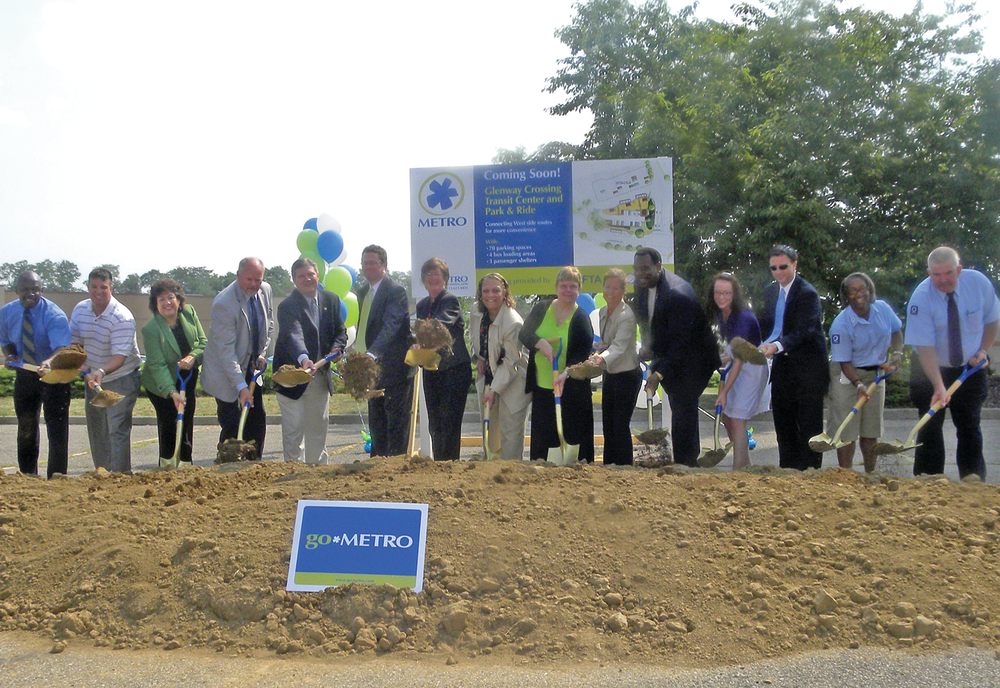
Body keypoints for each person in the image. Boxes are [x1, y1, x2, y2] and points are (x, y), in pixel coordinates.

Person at [904, 246, 999, 480]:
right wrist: (938, 385)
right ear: (929, 273)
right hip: (929, 369)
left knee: (969, 425)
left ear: (959, 269)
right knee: (930, 427)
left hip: (970, 367)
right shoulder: (921, 298)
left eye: (948, 273)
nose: (942, 280)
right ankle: (928, 481)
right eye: (936, 275)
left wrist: (983, 351)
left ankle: (972, 480)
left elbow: (992, 320)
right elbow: (924, 348)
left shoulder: (978, 284)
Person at [632, 248, 720, 466]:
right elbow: (645, 320)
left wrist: (659, 372)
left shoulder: (677, 294)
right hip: (672, 351)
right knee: (678, 406)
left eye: (646, 269)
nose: (640, 274)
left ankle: (686, 465)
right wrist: (647, 344)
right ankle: (683, 461)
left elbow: (682, 342)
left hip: (695, 358)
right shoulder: (642, 285)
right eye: (637, 269)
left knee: (683, 408)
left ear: (659, 266)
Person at [758, 245, 830, 471]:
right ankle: (787, 472)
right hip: (782, 368)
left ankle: (810, 473)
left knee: (809, 426)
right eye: (773, 268)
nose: (778, 272)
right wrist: (756, 345)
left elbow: (805, 330)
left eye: (783, 266)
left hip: (808, 369)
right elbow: (766, 325)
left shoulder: (807, 293)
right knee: (783, 423)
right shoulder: (770, 292)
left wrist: (776, 346)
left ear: (795, 265)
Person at [273, 258, 348, 464]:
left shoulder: (331, 300)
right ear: (294, 280)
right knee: (294, 429)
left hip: (319, 378)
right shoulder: (288, 306)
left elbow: (340, 332)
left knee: (318, 428)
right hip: (291, 379)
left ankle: (317, 474)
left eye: (310, 274)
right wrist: (304, 358)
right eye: (301, 276)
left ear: (318, 275)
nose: (307, 279)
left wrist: (336, 347)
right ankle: (294, 473)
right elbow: (293, 334)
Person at [827, 273, 903, 473]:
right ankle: (847, 476)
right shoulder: (840, 325)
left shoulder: (883, 309)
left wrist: (896, 354)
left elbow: (896, 331)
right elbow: (844, 362)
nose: (859, 293)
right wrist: (859, 385)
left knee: (870, 430)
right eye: (853, 290)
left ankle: (871, 474)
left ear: (870, 290)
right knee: (847, 430)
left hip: (877, 374)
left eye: (862, 288)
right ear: (846, 296)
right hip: (847, 376)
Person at [70, 267, 142, 473]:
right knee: (98, 429)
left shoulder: (122, 317)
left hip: (122, 376)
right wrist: (77, 362)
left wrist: (100, 371)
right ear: (88, 287)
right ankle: (102, 474)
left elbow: (119, 357)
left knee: (117, 427)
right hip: (93, 377)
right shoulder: (80, 310)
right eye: (94, 286)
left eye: (103, 287)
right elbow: (75, 343)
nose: (98, 291)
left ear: (111, 288)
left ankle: (120, 476)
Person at [519, 266, 595, 463]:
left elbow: (582, 354)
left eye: (573, 286)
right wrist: (540, 343)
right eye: (563, 286)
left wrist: (566, 374)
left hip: (571, 390)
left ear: (579, 290)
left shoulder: (581, 319)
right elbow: (524, 334)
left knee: (571, 433)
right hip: (542, 386)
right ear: (556, 287)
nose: (567, 291)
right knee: (542, 438)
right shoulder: (541, 309)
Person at [0, 271, 72, 478]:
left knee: (56, 429)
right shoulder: (6, 313)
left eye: (35, 290)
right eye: (25, 290)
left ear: (41, 290)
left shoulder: (54, 314)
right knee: (26, 426)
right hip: (26, 374)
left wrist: (48, 362)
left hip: (53, 374)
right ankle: (28, 475)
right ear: (16, 291)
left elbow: (60, 348)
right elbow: (6, 342)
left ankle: (57, 477)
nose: (30, 293)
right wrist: (11, 356)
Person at [201, 257, 273, 459]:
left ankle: (253, 464)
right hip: (226, 372)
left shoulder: (265, 290)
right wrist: (241, 388)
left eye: (258, 280)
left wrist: (261, 353)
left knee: (257, 420)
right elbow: (226, 352)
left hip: (252, 367)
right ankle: (228, 467)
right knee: (232, 423)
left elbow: (269, 325)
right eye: (249, 279)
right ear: (238, 276)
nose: (254, 285)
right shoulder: (224, 303)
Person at [705, 272, 770, 470]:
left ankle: (739, 467)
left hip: (752, 367)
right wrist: (722, 359)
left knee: (737, 417)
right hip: (738, 363)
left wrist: (724, 392)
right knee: (727, 417)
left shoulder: (742, 317)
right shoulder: (722, 314)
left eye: (727, 293)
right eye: (718, 293)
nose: (722, 297)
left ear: (735, 294)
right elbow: (732, 352)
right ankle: (744, 462)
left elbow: (740, 359)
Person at [140, 278, 208, 467]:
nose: (167, 303)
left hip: (187, 376)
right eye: (161, 299)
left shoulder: (189, 313)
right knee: (169, 422)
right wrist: (172, 393)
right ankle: (167, 465)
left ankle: (186, 464)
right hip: (162, 384)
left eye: (171, 297)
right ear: (155, 304)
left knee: (186, 420)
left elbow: (203, 342)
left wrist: (193, 357)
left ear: (179, 300)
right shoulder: (151, 329)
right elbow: (157, 366)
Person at [354, 245, 413, 457]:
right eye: (364, 263)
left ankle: (396, 467)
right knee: (376, 422)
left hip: (393, 368)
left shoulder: (395, 291)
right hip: (369, 370)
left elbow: (392, 325)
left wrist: (372, 354)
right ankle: (376, 464)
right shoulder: (361, 293)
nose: (368, 267)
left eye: (373, 263)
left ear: (385, 265)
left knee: (396, 423)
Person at [415, 258, 472, 461]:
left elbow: (441, 325)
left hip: (454, 370)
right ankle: (440, 464)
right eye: (428, 274)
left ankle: (450, 465)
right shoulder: (422, 305)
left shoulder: (450, 300)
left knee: (449, 423)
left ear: (445, 278)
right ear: (423, 279)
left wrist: (419, 339)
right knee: (435, 423)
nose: (432, 278)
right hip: (432, 370)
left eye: (437, 274)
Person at [470, 272, 530, 461]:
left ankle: (511, 477)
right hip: (488, 378)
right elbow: (475, 340)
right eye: (486, 291)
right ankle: (492, 479)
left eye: (496, 291)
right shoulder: (476, 312)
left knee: (510, 436)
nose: (490, 295)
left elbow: (511, 362)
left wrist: (494, 390)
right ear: (480, 293)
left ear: (505, 293)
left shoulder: (513, 322)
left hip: (514, 382)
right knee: (490, 434)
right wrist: (479, 358)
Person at [590, 268, 641, 466]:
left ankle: (624, 467)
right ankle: (609, 467)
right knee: (608, 425)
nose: (611, 292)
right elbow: (609, 343)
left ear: (623, 291)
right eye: (608, 287)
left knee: (620, 425)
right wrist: (599, 349)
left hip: (628, 376)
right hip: (610, 375)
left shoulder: (626, 315)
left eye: (616, 288)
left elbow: (619, 347)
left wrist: (600, 359)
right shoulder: (603, 312)